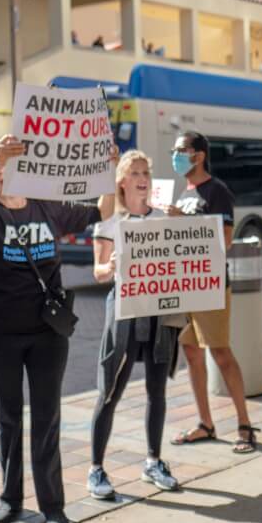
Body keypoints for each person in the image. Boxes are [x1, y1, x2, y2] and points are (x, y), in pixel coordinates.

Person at [0, 137, 118, 523]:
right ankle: (10, 500)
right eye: (0, 169)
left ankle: (53, 506)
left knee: (47, 417)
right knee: (8, 418)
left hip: (47, 332)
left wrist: (109, 172)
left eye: (13, 166)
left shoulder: (47, 209)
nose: (7, 175)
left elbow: (102, 212)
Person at [88, 150, 183, 500]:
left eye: (147, 171)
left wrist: (182, 225)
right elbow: (96, 273)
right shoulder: (109, 221)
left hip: (158, 311)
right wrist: (110, 267)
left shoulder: (163, 217)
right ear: (123, 182)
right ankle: (96, 468)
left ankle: (154, 461)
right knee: (110, 390)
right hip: (124, 311)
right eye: (136, 172)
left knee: (157, 391)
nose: (143, 177)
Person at [166, 131, 260, 454]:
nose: (175, 155)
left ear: (199, 155)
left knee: (220, 353)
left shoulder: (217, 191)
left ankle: (244, 425)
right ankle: (206, 423)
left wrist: (185, 220)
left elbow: (226, 239)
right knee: (191, 354)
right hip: (185, 286)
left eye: (181, 150)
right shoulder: (183, 192)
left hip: (211, 286)